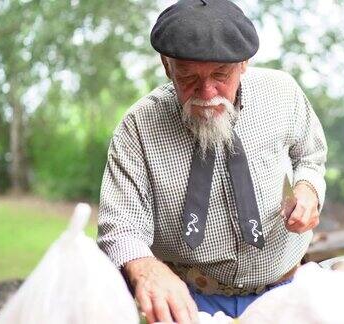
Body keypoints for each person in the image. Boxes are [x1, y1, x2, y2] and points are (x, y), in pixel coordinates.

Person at [97, 0, 327, 323]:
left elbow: (311, 156)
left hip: (286, 291)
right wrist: (146, 268)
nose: (206, 93)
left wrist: (308, 189)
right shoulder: (138, 127)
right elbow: (120, 227)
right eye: (188, 77)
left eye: (221, 75)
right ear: (167, 65)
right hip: (187, 302)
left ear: (243, 63)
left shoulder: (283, 93)